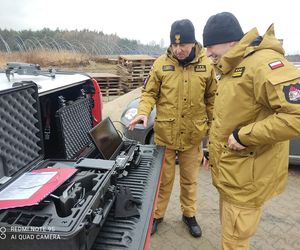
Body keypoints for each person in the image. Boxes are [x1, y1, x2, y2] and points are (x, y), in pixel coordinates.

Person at [202, 12, 300, 249]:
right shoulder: (233, 66)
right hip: (232, 174)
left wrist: (243, 136)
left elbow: (295, 115)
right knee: (231, 237)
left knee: (235, 242)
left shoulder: (262, 63)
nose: (207, 53)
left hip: (246, 180)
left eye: (210, 45)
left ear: (232, 42)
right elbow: (230, 117)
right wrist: (211, 153)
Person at [128, 19, 217, 237]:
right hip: (165, 136)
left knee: (190, 179)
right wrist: (143, 112)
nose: (178, 49)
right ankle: (157, 215)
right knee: (162, 180)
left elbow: (212, 100)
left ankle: (189, 214)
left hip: (193, 135)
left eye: (183, 45)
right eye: (174, 45)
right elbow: (149, 93)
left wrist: (214, 130)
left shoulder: (207, 65)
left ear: (193, 43)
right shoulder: (160, 63)